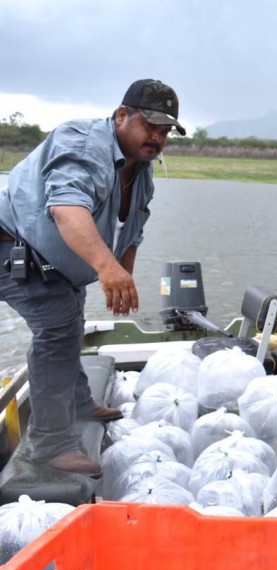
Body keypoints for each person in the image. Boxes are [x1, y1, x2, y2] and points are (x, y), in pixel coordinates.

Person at [0, 79, 186, 477]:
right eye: (150, 125)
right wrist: (106, 268)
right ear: (122, 116)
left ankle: (79, 401)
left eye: (166, 130)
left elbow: (133, 228)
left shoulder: (142, 168)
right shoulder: (83, 145)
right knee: (56, 329)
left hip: (52, 258)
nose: (157, 137)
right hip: (12, 246)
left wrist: (124, 275)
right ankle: (48, 444)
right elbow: (68, 209)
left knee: (71, 317)